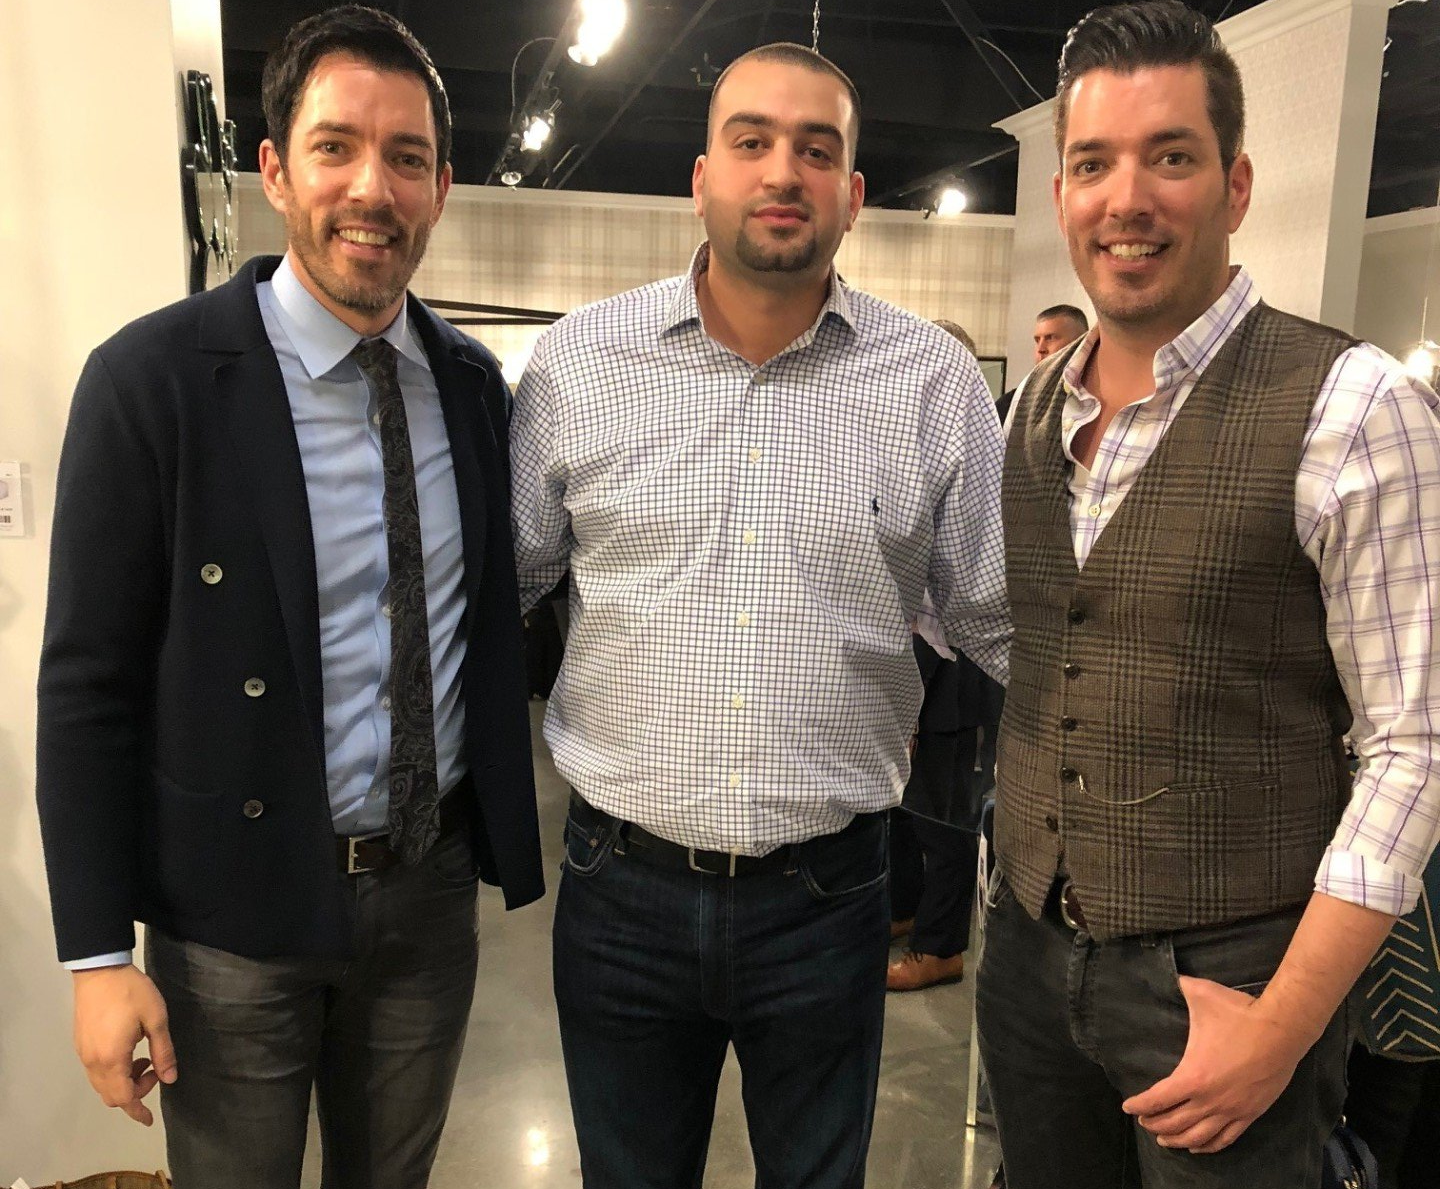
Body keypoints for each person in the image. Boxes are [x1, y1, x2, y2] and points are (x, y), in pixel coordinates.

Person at [35, 7, 543, 1186]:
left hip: (423, 904)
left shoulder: (472, 390)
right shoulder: (152, 381)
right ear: (273, 169)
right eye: (336, 147)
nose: (373, 187)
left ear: (442, 187)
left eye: (407, 157)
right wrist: (97, 957)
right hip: (229, 919)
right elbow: (86, 687)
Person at [510, 41, 1009, 1189]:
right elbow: (503, 589)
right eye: (753, 141)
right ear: (701, 177)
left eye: (817, 149)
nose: (783, 170)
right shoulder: (580, 367)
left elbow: (1001, 620)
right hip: (619, 888)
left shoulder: (932, 384)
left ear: (853, 195)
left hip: (829, 902)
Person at [976, 4, 1440, 1188]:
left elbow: (1412, 748)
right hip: (1031, 964)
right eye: (1093, 162)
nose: (1125, 197)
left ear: (1234, 185)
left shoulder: (1351, 405)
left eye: (1169, 155)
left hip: (1233, 978)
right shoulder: (1034, 408)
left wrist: (1282, 1027)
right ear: (1065, 190)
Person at [888, 320, 1005, 993]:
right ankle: (906, 911)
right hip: (914, 656)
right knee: (905, 808)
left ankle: (940, 946)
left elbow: (977, 588)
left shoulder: (985, 449)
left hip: (959, 664)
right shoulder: (900, 441)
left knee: (945, 815)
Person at [997, 304, 1089, 423]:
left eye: (1050, 338)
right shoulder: (1012, 402)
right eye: (1037, 340)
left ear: (1081, 341)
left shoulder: (1100, 399)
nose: (1040, 349)